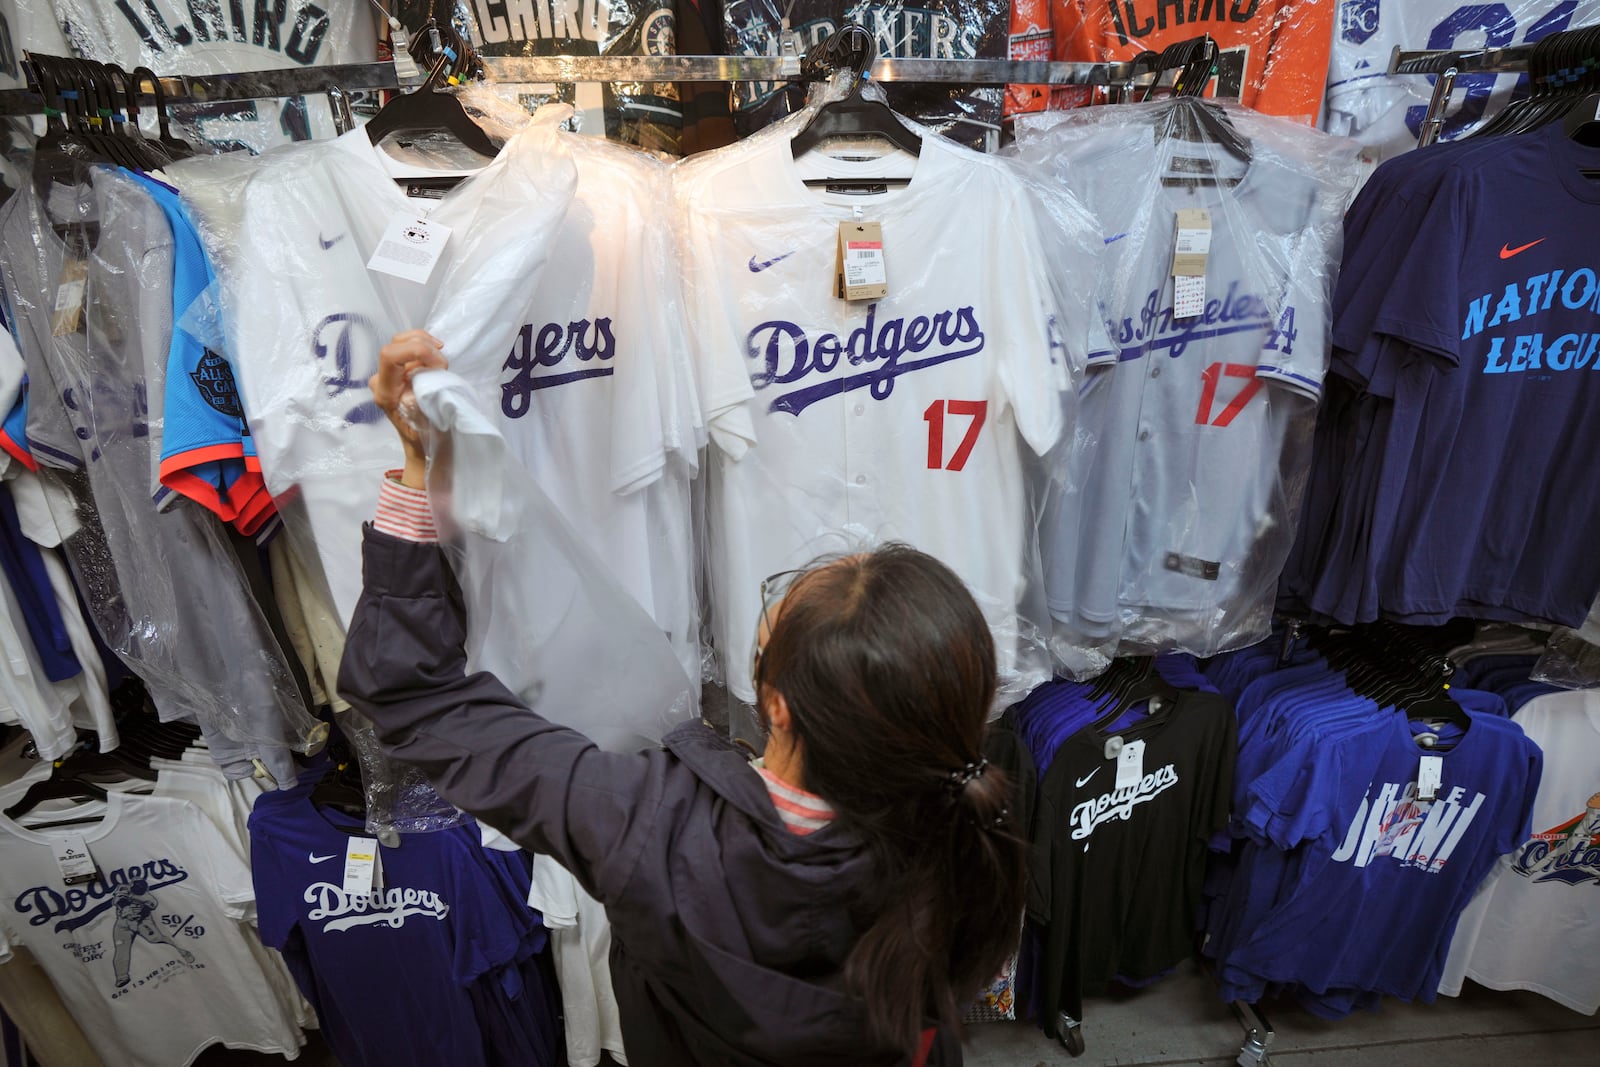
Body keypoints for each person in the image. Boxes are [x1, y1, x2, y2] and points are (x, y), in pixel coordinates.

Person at [337, 330, 1028, 1066]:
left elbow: (414, 693)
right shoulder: (963, 837)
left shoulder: (648, 824)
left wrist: (417, 467)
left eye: (775, 617)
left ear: (779, 704)